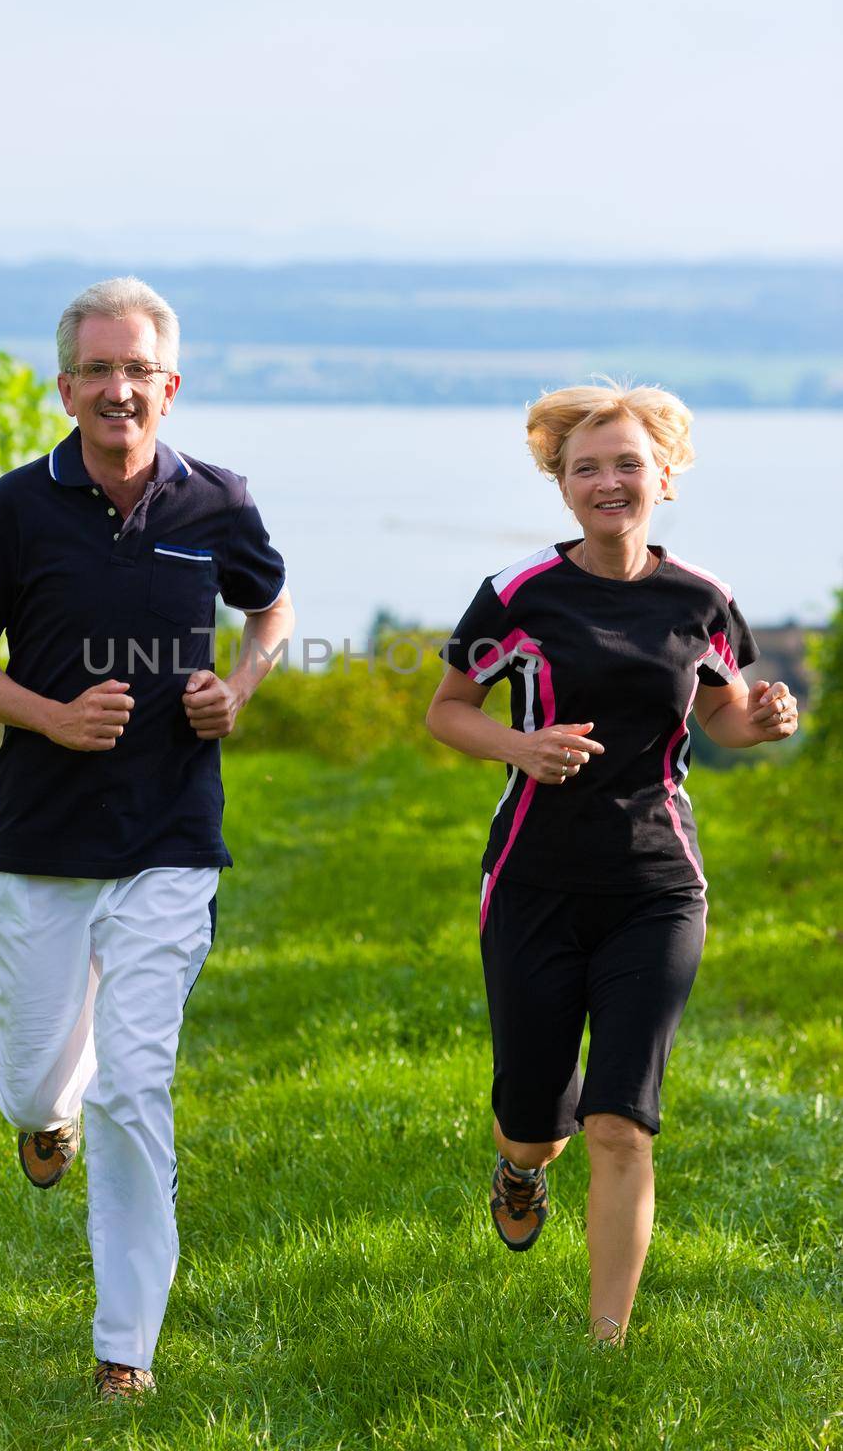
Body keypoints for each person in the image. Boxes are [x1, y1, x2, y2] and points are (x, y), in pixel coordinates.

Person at [0, 276, 293, 1400]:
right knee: (33, 1082)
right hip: (42, 837)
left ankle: (122, 1347)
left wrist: (236, 685)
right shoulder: (11, 508)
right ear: (67, 385)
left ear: (169, 385)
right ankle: (45, 1115)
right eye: (97, 369)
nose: (117, 389)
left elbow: (271, 605)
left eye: (137, 369)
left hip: (172, 832)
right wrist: (53, 716)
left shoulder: (217, 503)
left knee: (134, 1079)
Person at [425, 378, 798, 1346]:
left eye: (626, 462)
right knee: (533, 1119)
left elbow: (717, 706)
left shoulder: (700, 598)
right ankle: (517, 1168)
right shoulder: (517, 595)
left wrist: (756, 722)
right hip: (532, 879)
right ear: (559, 484)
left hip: (656, 884)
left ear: (662, 475)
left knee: (619, 1119)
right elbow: (446, 709)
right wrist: (520, 747)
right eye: (584, 466)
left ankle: (605, 1343)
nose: (607, 481)